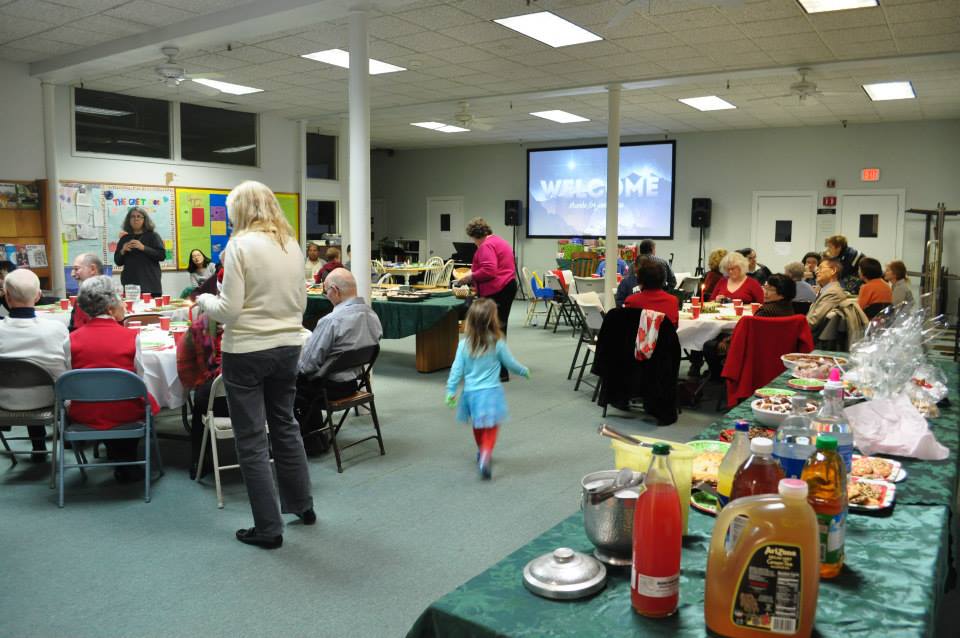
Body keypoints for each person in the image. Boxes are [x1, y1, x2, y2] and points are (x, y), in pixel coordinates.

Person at [195, 180, 313, 549]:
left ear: (240, 211)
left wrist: (203, 301)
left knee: (251, 440)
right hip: (288, 345)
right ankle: (302, 505)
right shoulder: (291, 245)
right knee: (285, 425)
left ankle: (268, 528)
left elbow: (228, 310)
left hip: (247, 349)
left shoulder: (239, 246)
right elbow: (302, 301)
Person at [66, 275, 160, 483]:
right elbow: (140, 380)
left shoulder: (70, 340)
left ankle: (119, 459)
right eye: (119, 299)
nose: (123, 304)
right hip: (125, 409)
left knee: (104, 402)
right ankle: (127, 462)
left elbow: (68, 380)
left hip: (85, 412)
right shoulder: (131, 337)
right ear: (110, 308)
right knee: (140, 400)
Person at [296, 268, 382, 452]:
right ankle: (315, 434)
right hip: (354, 384)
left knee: (287, 382)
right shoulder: (372, 315)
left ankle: (306, 441)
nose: (327, 296)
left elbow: (308, 366)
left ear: (334, 290)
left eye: (326, 291)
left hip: (328, 389)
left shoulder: (331, 321)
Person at [445, 298, 529, 480]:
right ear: (492, 320)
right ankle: (485, 454)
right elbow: (510, 363)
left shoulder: (463, 345)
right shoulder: (497, 342)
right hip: (491, 393)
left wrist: (451, 391)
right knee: (491, 427)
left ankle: (480, 450)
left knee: (478, 424)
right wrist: (523, 371)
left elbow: (456, 370)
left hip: (471, 394)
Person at [0, 269, 69, 461]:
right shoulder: (56, 329)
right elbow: (67, 367)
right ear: (38, 296)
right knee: (47, 379)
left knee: (21, 377)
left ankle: (38, 447)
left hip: (4, 401)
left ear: (6, 297)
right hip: (49, 400)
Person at [454, 217, 518, 382]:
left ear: (475, 236)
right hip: (507, 287)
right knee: (499, 329)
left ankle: (499, 371)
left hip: (498, 291)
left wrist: (470, 276)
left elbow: (489, 270)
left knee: (492, 331)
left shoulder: (486, 246)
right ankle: (499, 370)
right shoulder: (498, 241)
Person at [703, 272, 797, 380]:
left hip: (753, 349)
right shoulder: (788, 307)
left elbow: (746, 335)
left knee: (709, 344)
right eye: (766, 287)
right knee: (721, 336)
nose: (765, 292)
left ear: (782, 293)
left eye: (770, 289)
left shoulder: (765, 311)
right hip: (775, 348)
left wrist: (726, 341)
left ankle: (717, 377)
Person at [114, 206, 165, 296]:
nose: (135, 219)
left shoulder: (153, 236)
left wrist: (143, 248)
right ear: (129, 220)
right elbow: (118, 261)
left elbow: (161, 255)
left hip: (150, 285)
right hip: (130, 286)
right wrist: (122, 251)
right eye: (132, 216)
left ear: (144, 220)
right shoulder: (124, 239)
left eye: (139, 216)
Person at [623, 259, 679, 328]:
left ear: (640, 280)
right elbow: (675, 328)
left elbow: (626, 327)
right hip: (666, 338)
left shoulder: (631, 301)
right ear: (663, 279)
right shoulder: (673, 301)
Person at [806, 257, 847, 329]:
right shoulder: (827, 290)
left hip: (812, 336)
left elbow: (812, 322)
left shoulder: (832, 293)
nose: (816, 272)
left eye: (820, 268)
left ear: (833, 270)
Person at [68, 253, 103, 331]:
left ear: (93, 269)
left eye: (76, 269)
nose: (72, 274)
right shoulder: (80, 299)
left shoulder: (110, 299)